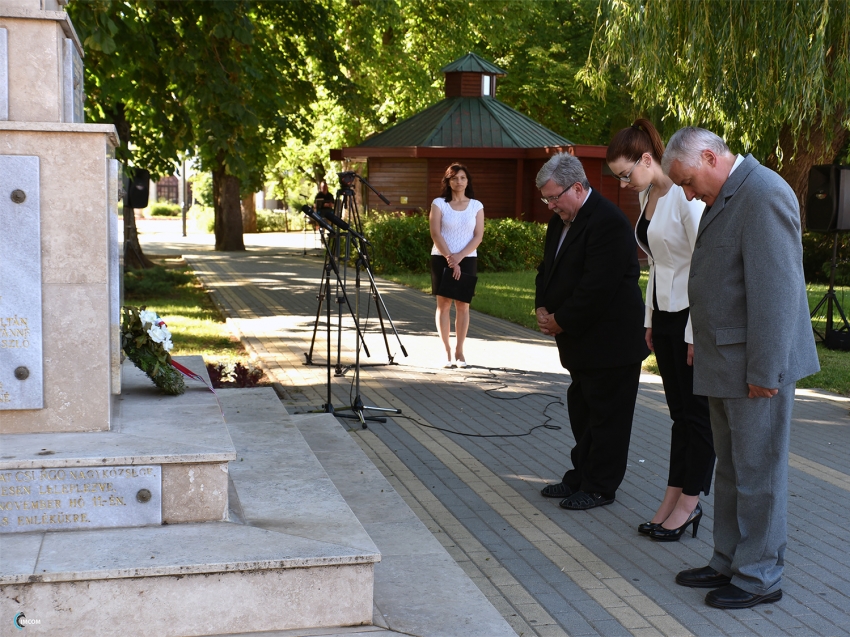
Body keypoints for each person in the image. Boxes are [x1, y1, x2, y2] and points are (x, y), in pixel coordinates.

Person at [663, 127, 819, 609]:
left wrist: (766, 370)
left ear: (710, 157)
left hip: (753, 368)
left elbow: (777, 291)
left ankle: (759, 577)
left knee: (759, 474)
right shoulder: (731, 190)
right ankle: (727, 559)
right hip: (724, 360)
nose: (688, 194)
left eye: (688, 182)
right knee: (731, 470)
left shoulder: (764, 191)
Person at [606, 119, 715, 541]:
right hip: (665, 314)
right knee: (678, 416)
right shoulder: (648, 194)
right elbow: (655, 263)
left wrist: (692, 332)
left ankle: (690, 503)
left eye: (626, 173)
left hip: (692, 315)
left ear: (647, 160)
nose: (623, 182)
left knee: (697, 416)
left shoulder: (685, 199)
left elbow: (701, 265)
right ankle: (671, 498)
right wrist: (650, 321)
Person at [536, 153, 649, 510]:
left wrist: (561, 320)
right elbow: (547, 269)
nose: (551, 205)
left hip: (611, 343)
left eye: (555, 197)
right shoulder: (561, 220)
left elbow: (597, 287)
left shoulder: (609, 222)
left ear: (579, 187)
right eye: (546, 198)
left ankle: (601, 487)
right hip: (581, 343)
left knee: (608, 418)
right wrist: (541, 306)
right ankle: (580, 476)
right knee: (582, 411)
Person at [429, 163, 485, 368]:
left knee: (463, 305)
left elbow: (478, 236)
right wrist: (450, 258)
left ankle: (460, 352)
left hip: (467, 259)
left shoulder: (477, 206)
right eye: (454, 178)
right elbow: (435, 233)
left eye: (462, 178)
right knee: (443, 305)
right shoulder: (439, 203)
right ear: (448, 181)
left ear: (467, 181)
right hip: (441, 257)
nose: (458, 181)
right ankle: (446, 353)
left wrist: (459, 257)